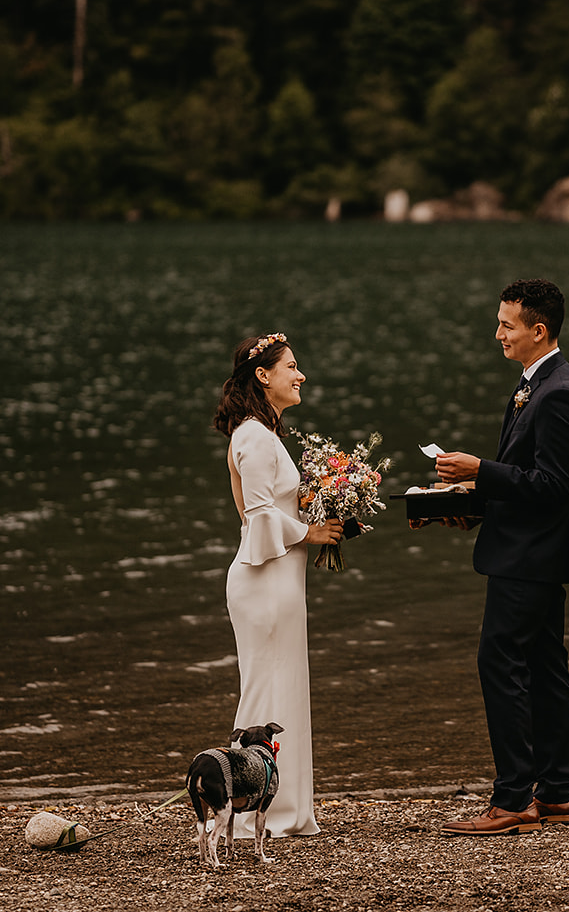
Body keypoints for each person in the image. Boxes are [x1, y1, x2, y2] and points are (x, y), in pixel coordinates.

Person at [434, 279, 569, 836]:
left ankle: (512, 799)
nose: (497, 333)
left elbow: (555, 486)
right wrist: (473, 506)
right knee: (546, 670)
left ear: (538, 330)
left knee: (500, 664)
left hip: (531, 559)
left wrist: (480, 470)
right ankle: (555, 794)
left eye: (506, 324)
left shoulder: (560, 394)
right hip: (529, 550)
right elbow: (530, 479)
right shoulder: (537, 384)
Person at [211, 332, 343, 837]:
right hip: (264, 583)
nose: (300, 374)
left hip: (279, 581)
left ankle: (283, 809)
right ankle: (248, 810)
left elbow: (275, 504)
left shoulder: (265, 434)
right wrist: (310, 530)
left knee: (286, 690)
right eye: (291, 366)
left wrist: (326, 504)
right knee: (266, 693)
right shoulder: (252, 435)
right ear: (263, 376)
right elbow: (261, 515)